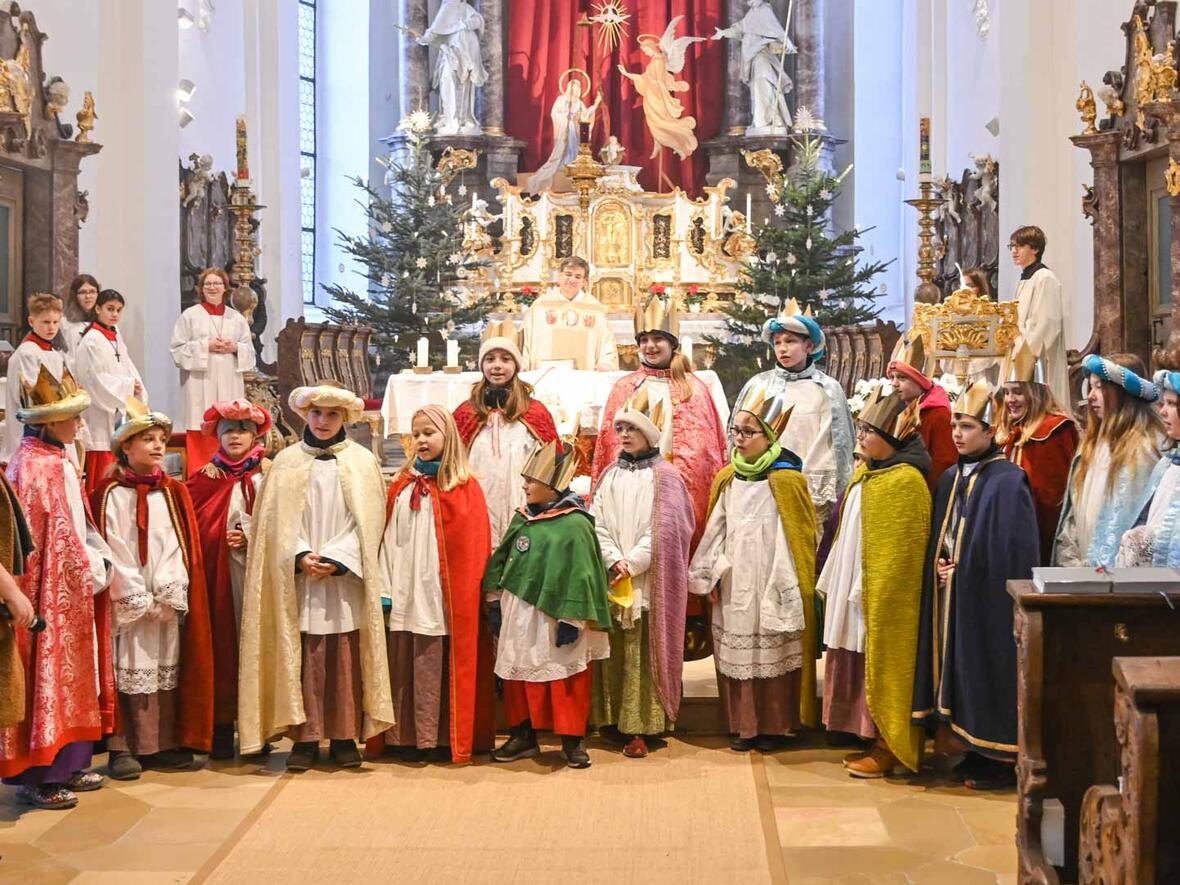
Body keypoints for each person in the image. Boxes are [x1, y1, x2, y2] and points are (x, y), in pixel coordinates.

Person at [237, 385, 394, 771]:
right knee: (303, 656)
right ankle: (304, 740)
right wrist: (301, 554)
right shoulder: (285, 463)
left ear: (345, 419)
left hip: (343, 580)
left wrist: (340, 559)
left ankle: (342, 737)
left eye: (332, 415)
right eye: (317, 414)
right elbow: (273, 525)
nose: (323, 422)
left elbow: (371, 522)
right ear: (305, 416)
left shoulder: (362, 462)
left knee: (343, 657)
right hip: (300, 579)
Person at [912, 380, 1039, 790]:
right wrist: (941, 564)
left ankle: (998, 757)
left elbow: (1013, 552)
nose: (957, 435)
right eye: (954, 426)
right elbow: (944, 534)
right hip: (953, 595)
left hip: (987, 601)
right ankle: (968, 746)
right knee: (958, 666)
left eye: (967, 427)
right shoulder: (951, 476)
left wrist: (963, 572)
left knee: (986, 665)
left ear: (991, 430)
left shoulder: (1008, 480)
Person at [0, 367, 114, 809]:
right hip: (45, 590)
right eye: (72, 417)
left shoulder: (57, 458)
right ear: (48, 422)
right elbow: (38, 538)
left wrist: (92, 561)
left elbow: (71, 523)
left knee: (69, 674)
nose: (79, 424)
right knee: (46, 675)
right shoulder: (33, 465)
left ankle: (69, 763)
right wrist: (83, 569)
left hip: (67, 585)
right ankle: (39, 773)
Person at [689, 386, 820, 751]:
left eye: (749, 432)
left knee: (773, 652)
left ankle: (776, 727)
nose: (740, 439)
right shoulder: (728, 478)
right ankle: (744, 726)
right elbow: (715, 529)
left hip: (773, 578)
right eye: (736, 431)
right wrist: (710, 572)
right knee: (739, 655)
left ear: (769, 436)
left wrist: (783, 584)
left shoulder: (787, 479)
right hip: (734, 582)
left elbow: (799, 538)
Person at [91, 401, 214, 779]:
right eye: (148, 439)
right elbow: (112, 548)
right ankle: (123, 746)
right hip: (127, 603)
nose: (158, 446)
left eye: (161, 439)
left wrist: (167, 594)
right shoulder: (110, 493)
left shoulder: (173, 491)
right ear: (126, 447)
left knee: (164, 665)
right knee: (126, 665)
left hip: (164, 599)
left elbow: (180, 546)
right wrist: (138, 598)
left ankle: (161, 743)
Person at [819, 386, 930, 778]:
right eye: (861, 428)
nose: (861, 437)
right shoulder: (869, 473)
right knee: (857, 660)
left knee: (884, 662)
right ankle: (868, 734)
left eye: (869, 431)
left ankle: (890, 745)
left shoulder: (907, 483)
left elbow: (904, 553)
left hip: (881, 594)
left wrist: (875, 590)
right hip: (855, 582)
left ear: (892, 439)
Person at [484, 439, 612, 769]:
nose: (524, 485)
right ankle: (523, 735)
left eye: (531, 480)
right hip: (519, 615)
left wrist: (573, 618)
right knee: (519, 672)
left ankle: (572, 740)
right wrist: (495, 598)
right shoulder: (522, 518)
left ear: (553, 485)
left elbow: (584, 574)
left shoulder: (575, 524)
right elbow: (502, 558)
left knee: (564, 676)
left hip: (558, 618)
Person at [379, 406, 494, 764]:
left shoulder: (465, 488)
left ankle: (443, 738)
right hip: (405, 591)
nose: (422, 440)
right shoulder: (401, 485)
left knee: (439, 659)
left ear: (449, 438)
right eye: (416, 434)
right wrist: (386, 588)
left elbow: (474, 549)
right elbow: (386, 540)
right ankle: (406, 738)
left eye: (429, 432)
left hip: (442, 598)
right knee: (404, 658)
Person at [589, 390, 694, 757]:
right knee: (614, 650)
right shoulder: (609, 474)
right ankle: (613, 720)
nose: (624, 435)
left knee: (642, 651)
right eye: (620, 428)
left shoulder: (666, 476)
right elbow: (595, 522)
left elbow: (669, 529)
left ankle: (641, 727)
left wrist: (632, 563)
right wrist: (612, 559)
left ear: (651, 434)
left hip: (648, 580)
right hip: (614, 576)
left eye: (632, 428)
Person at [592, 295, 727, 551]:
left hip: (678, 492)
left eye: (658, 339)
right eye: (644, 340)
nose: (650, 346)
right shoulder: (625, 387)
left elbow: (706, 455)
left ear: (672, 344)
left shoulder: (694, 390)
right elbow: (608, 449)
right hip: (633, 492)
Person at [185, 399, 271, 760]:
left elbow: (283, 525)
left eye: (243, 430)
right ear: (217, 436)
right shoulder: (205, 479)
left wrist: (250, 536)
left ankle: (258, 728)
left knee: (255, 644)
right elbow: (193, 529)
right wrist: (220, 534)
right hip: (219, 580)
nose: (236, 436)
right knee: (221, 645)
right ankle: (220, 726)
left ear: (255, 435)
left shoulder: (268, 476)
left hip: (257, 578)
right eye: (228, 430)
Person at [732, 298, 855, 532]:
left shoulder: (826, 390)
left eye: (790, 341)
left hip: (804, 491)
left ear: (809, 347)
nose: (782, 348)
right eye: (777, 342)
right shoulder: (759, 385)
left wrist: (805, 487)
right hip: (761, 486)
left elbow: (831, 444)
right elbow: (740, 436)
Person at [452, 322, 557, 546]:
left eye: (505, 359)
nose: (497, 366)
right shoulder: (466, 412)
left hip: (522, 501)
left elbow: (551, 462)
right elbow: (452, 460)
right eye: (490, 359)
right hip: (477, 501)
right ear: (482, 365)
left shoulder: (534, 411)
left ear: (516, 365)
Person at [1053, 355, 1161, 569]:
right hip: (1084, 571)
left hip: (1122, 580)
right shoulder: (1090, 445)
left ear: (1122, 393)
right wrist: (1071, 561)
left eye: (1099, 387)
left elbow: (1142, 521)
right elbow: (1073, 513)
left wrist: (1103, 568)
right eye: (1090, 387)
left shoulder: (1145, 449)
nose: (1091, 396)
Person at [995, 339, 1079, 564]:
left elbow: (1053, 497)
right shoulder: (1013, 431)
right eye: (1007, 392)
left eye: (1018, 392)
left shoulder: (1054, 430)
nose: (1010, 400)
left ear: (1035, 393)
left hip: (1039, 533)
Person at [170, 268, 256, 476]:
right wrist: (204, 345)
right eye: (207, 284)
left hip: (228, 381)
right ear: (201, 289)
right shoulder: (189, 316)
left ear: (225, 288)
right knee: (200, 429)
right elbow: (177, 350)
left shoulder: (236, 318)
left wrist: (235, 348)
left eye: (217, 283)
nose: (212, 288)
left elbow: (250, 353)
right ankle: (199, 482)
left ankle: (229, 477)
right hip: (200, 383)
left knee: (227, 429)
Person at [73, 290, 147, 495]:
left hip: (117, 410)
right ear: (97, 309)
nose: (114, 314)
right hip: (99, 412)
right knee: (101, 470)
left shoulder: (115, 336)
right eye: (110, 309)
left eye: (119, 310)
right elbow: (94, 380)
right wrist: (127, 386)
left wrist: (136, 385)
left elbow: (128, 366)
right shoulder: (91, 340)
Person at [1117, 370, 1180, 566]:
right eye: (1164, 403)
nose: (1162, 411)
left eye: (1171, 404)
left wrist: (1149, 540)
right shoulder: (1167, 463)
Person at [2, 294, 70, 465]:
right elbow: (33, 397)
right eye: (46, 322)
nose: (51, 327)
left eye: (55, 322)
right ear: (32, 322)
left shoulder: (54, 353)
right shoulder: (28, 352)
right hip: (31, 434)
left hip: (53, 426)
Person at [520, 257, 619, 371]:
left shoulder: (594, 309)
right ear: (559, 276)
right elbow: (526, 341)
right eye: (568, 274)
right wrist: (523, 367)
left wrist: (605, 364)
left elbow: (607, 344)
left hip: (584, 377)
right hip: (546, 376)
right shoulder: (540, 306)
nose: (572, 280)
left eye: (578, 277)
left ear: (584, 282)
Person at [711, 0, 795, 133]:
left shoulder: (764, 10)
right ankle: (760, 120)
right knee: (756, 89)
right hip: (753, 57)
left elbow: (776, 30)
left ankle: (773, 119)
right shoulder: (752, 13)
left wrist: (786, 41)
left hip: (762, 56)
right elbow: (739, 29)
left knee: (764, 83)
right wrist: (723, 33)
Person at [1010, 225, 1071, 409]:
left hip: (1038, 362)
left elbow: (1045, 325)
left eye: (1019, 246)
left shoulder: (1045, 278)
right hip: (1021, 353)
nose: (1014, 251)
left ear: (1035, 249)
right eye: (1011, 246)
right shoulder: (1025, 280)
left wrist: (1018, 348)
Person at [887, 334, 956, 493]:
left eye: (902, 378)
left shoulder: (938, 414)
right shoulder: (900, 409)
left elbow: (943, 464)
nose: (894, 384)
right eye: (892, 377)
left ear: (920, 381)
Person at [61, 273, 100, 351]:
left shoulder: (105, 321)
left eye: (92, 291)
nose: (88, 296)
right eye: (82, 292)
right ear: (74, 295)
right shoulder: (64, 323)